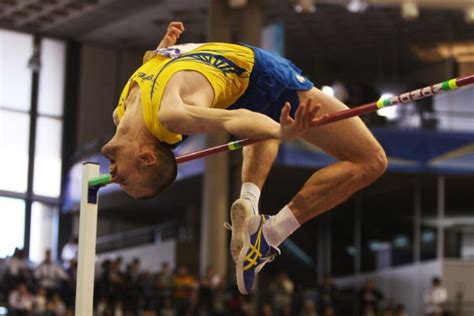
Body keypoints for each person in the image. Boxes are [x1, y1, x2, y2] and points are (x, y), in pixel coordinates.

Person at [101, 21, 387, 294]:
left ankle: (250, 205)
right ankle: (271, 234)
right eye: (122, 178)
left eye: (122, 179)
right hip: (260, 74)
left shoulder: (122, 111)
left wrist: (159, 51)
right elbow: (238, 118)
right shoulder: (171, 114)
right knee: (371, 161)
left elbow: (154, 68)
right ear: (147, 157)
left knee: (260, 120)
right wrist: (280, 131)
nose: (113, 176)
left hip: (239, 79)